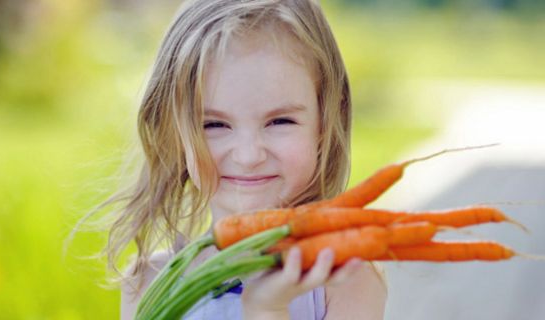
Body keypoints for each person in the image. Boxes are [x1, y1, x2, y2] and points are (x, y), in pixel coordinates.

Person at [89, 0, 387, 319]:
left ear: (325, 123)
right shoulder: (150, 281)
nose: (248, 156)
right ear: (174, 134)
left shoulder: (341, 278)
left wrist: (267, 309)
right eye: (214, 125)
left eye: (280, 121)